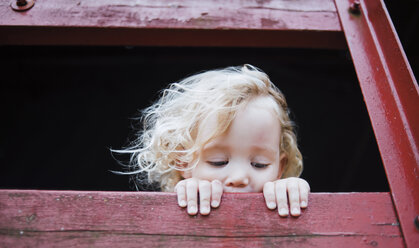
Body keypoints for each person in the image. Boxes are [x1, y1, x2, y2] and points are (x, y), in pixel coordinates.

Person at [114, 64, 310, 217]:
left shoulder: (281, 195)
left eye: (259, 164)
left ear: (279, 167)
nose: (239, 177)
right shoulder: (186, 195)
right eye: (219, 162)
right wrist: (188, 194)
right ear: (184, 161)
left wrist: (292, 191)